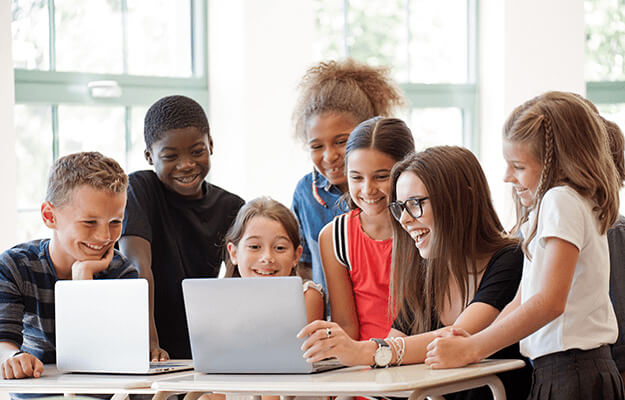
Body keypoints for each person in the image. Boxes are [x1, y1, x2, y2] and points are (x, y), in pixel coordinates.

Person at [425, 91, 624, 399]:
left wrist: (474, 348)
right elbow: (522, 300)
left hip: (571, 372)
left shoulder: (560, 200)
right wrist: (473, 339)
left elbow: (549, 301)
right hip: (567, 371)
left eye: (518, 166)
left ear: (555, 163)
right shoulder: (563, 204)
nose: (507, 177)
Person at [299, 146, 531, 400]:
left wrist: (361, 350)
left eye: (416, 204)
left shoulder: (511, 260)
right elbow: (393, 350)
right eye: (400, 208)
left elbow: (455, 339)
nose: (405, 220)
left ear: (463, 198)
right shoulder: (427, 273)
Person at [119, 95, 244, 360]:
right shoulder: (140, 190)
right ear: (149, 157)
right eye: (170, 156)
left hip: (203, 344)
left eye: (197, 151)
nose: (186, 164)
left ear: (211, 144)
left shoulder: (232, 206)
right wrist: (149, 343)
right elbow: (137, 268)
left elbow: (236, 282)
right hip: (146, 340)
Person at [0, 152, 138, 380]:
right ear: (49, 216)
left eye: (115, 222)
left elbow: (103, 358)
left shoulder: (122, 273)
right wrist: (13, 359)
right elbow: (3, 347)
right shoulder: (15, 267)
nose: (105, 236)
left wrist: (83, 279)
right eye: (89, 222)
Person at [291, 59, 403, 296]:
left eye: (342, 142)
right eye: (317, 146)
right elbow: (304, 266)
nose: (330, 156)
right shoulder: (305, 192)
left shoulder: (401, 188)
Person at [318, 117, 415, 341]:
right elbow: (346, 324)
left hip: (420, 358)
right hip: (365, 363)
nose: (368, 189)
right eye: (356, 178)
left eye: (382, 177)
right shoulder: (334, 236)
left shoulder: (422, 228)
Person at [224, 197, 324, 323]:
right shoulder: (222, 298)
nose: (267, 257)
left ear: (296, 256)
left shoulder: (306, 296)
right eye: (254, 247)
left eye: (279, 247)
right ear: (233, 253)